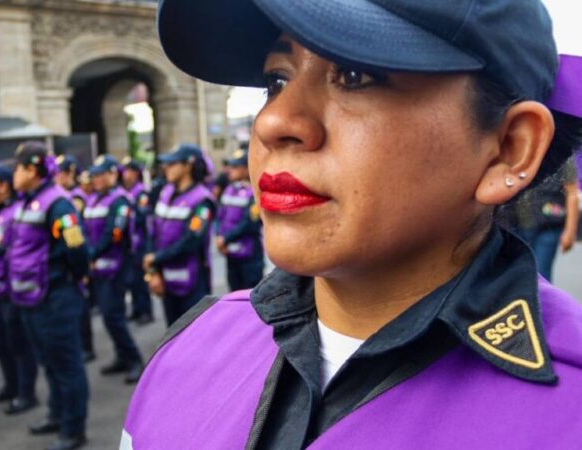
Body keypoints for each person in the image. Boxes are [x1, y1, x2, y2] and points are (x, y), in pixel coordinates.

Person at [123, 1, 582, 448]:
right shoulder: (189, 350)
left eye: (355, 76)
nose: (274, 122)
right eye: (276, 80)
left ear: (508, 148)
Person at [10, 141, 89, 450]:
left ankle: (73, 429)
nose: (14, 175)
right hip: (35, 299)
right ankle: (57, 415)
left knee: (67, 365)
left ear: (31, 169)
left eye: (17, 168)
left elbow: (77, 248)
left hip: (56, 296)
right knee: (50, 362)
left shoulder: (58, 204)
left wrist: (72, 276)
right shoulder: (29, 202)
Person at [0, 163, 39, 414]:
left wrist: (0, 247)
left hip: (13, 291)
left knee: (18, 344)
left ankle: (26, 392)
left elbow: (21, 253)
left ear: (3, 186)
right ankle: (10, 386)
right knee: (0, 341)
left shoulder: (16, 212)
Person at [85, 155, 144, 383]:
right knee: (109, 317)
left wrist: (91, 254)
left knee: (113, 316)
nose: (96, 179)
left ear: (112, 174)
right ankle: (122, 356)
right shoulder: (93, 200)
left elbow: (114, 235)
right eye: (94, 175)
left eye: (101, 174)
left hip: (116, 267)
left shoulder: (120, 201)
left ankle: (134, 360)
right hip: (99, 268)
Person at [143, 144, 215, 326]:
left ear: (188, 165)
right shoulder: (165, 193)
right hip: (166, 279)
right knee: (172, 332)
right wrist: (154, 271)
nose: (166, 167)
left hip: (192, 281)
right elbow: (154, 232)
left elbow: (191, 242)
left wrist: (156, 258)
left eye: (172, 163)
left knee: (195, 335)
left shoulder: (202, 200)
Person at [55, 154, 95, 361]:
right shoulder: (61, 196)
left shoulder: (74, 198)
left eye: (62, 172)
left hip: (79, 250)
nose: (58, 176)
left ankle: (86, 346)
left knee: (82, 308)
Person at [512, 158, 579, 281]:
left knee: (542, 274)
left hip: (550, 223)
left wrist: (570, 231)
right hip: (520, 223)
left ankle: (541, 299)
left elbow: (572, 193)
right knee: (519, 274)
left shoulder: (563, 154)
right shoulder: (520, 149)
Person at [215, 148, 264, 291]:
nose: (230, 170)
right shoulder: (230, 189)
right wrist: (219, 236)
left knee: (250, 295)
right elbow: (220, 216)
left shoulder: (254, 192)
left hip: (250, 256)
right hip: (231, 254)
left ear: (246, 169)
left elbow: (250, 223)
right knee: (234, 292)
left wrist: (225, 239)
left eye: (235, 167)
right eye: (230, 166)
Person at [121, 157, 153, 324]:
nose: (124, 174)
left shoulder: (141, 192)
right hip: (132, 244)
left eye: (127, 171)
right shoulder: (128, 191)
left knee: (141, 280)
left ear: (135, 173)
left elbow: (142, 215)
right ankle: (136, 309)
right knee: (132, 279)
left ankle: (146, 311)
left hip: (141, 241)